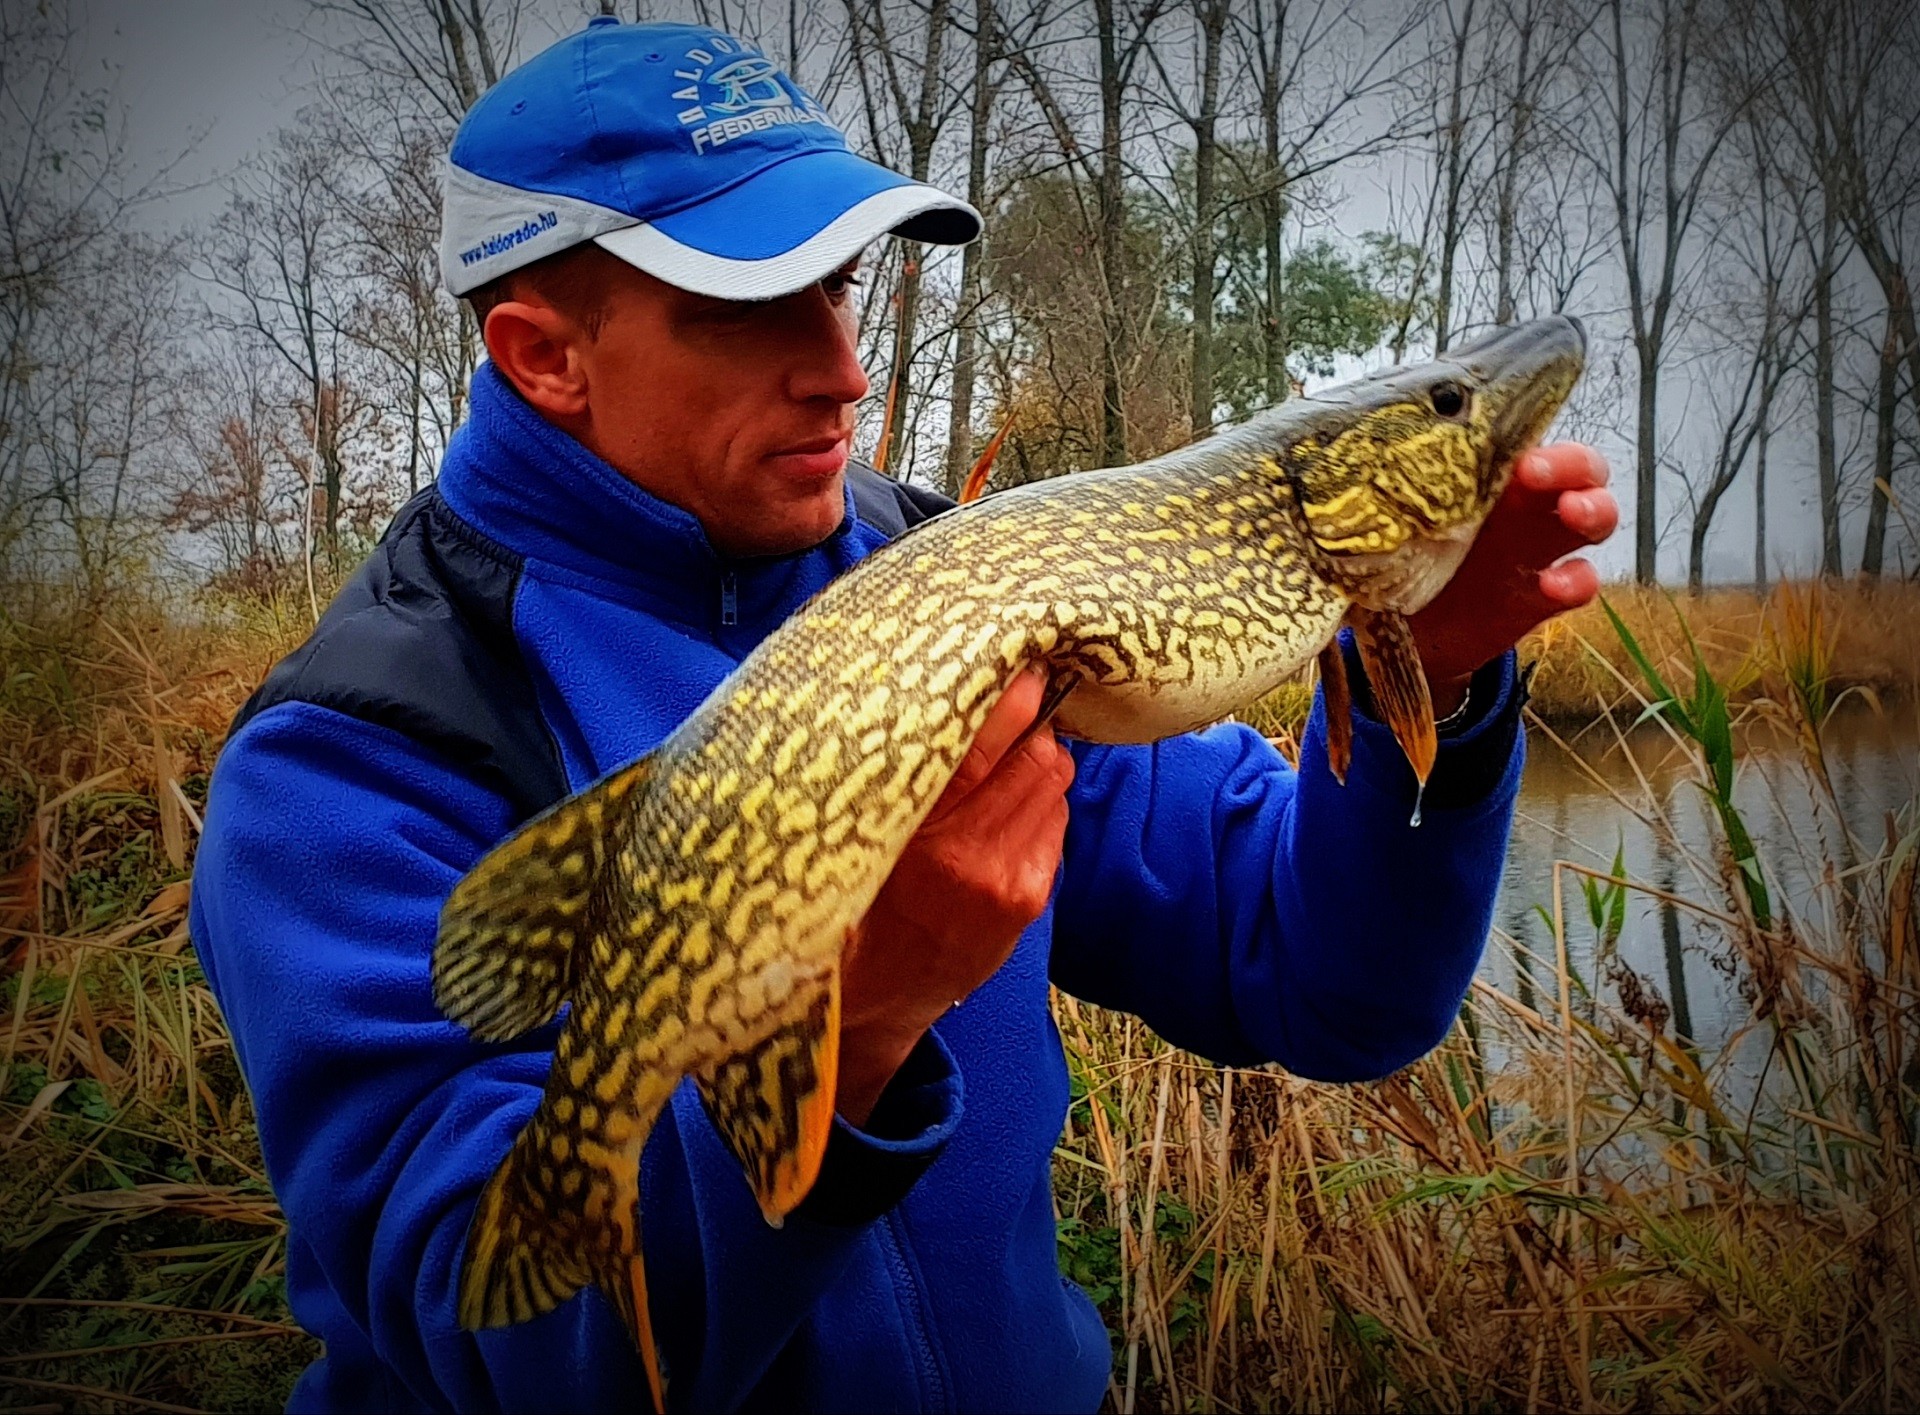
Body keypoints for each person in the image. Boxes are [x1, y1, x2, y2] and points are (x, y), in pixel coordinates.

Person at [188, 16, 1618, 1414]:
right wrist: (862, 1018)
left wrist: (1432, 667)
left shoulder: (971, 589)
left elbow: (1330, 982)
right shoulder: (350, 763)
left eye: (841, 286)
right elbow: (503, 1353)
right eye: (749, 304)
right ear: (544, 354)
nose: (844, 365)